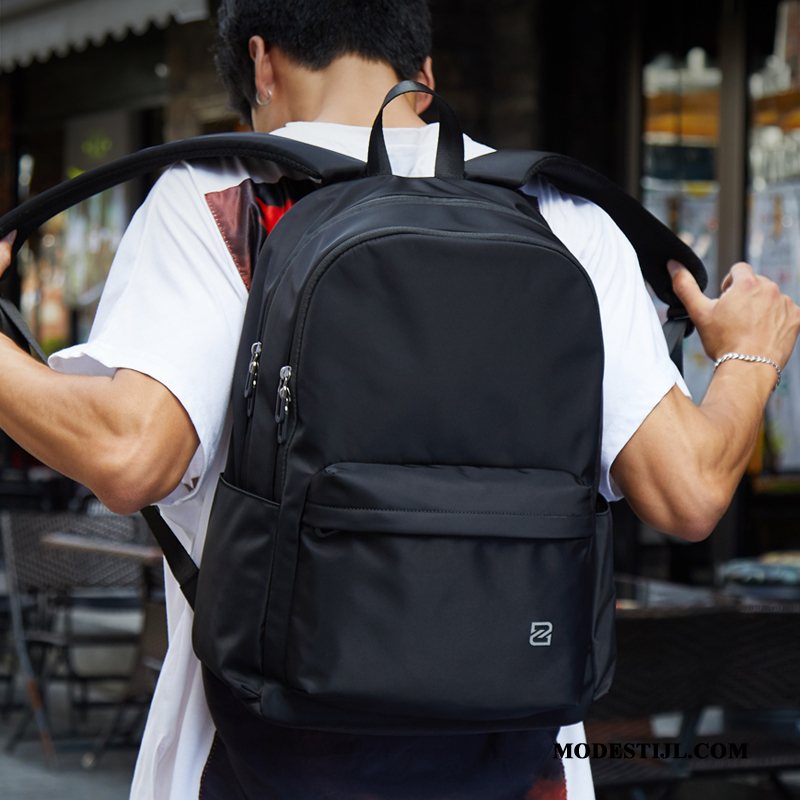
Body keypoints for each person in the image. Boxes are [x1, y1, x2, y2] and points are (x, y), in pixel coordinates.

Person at [0, 1, 799, 797]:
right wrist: (750, 357)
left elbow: (130, 453)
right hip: (520, 771)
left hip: (262, 763)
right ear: (425, 76)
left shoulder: (217, 200)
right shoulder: (562, 214)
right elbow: (689, 491)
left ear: (261, 64)